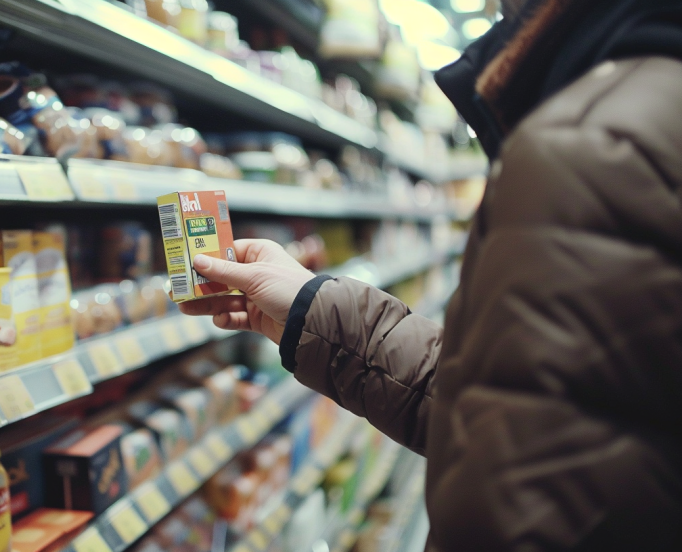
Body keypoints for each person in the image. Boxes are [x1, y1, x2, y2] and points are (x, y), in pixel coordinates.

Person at [179, 0, 682, 549]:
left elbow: (530, 501)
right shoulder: (636, 109)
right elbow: (514, 416)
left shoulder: (595, 143)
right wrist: (308, 305)